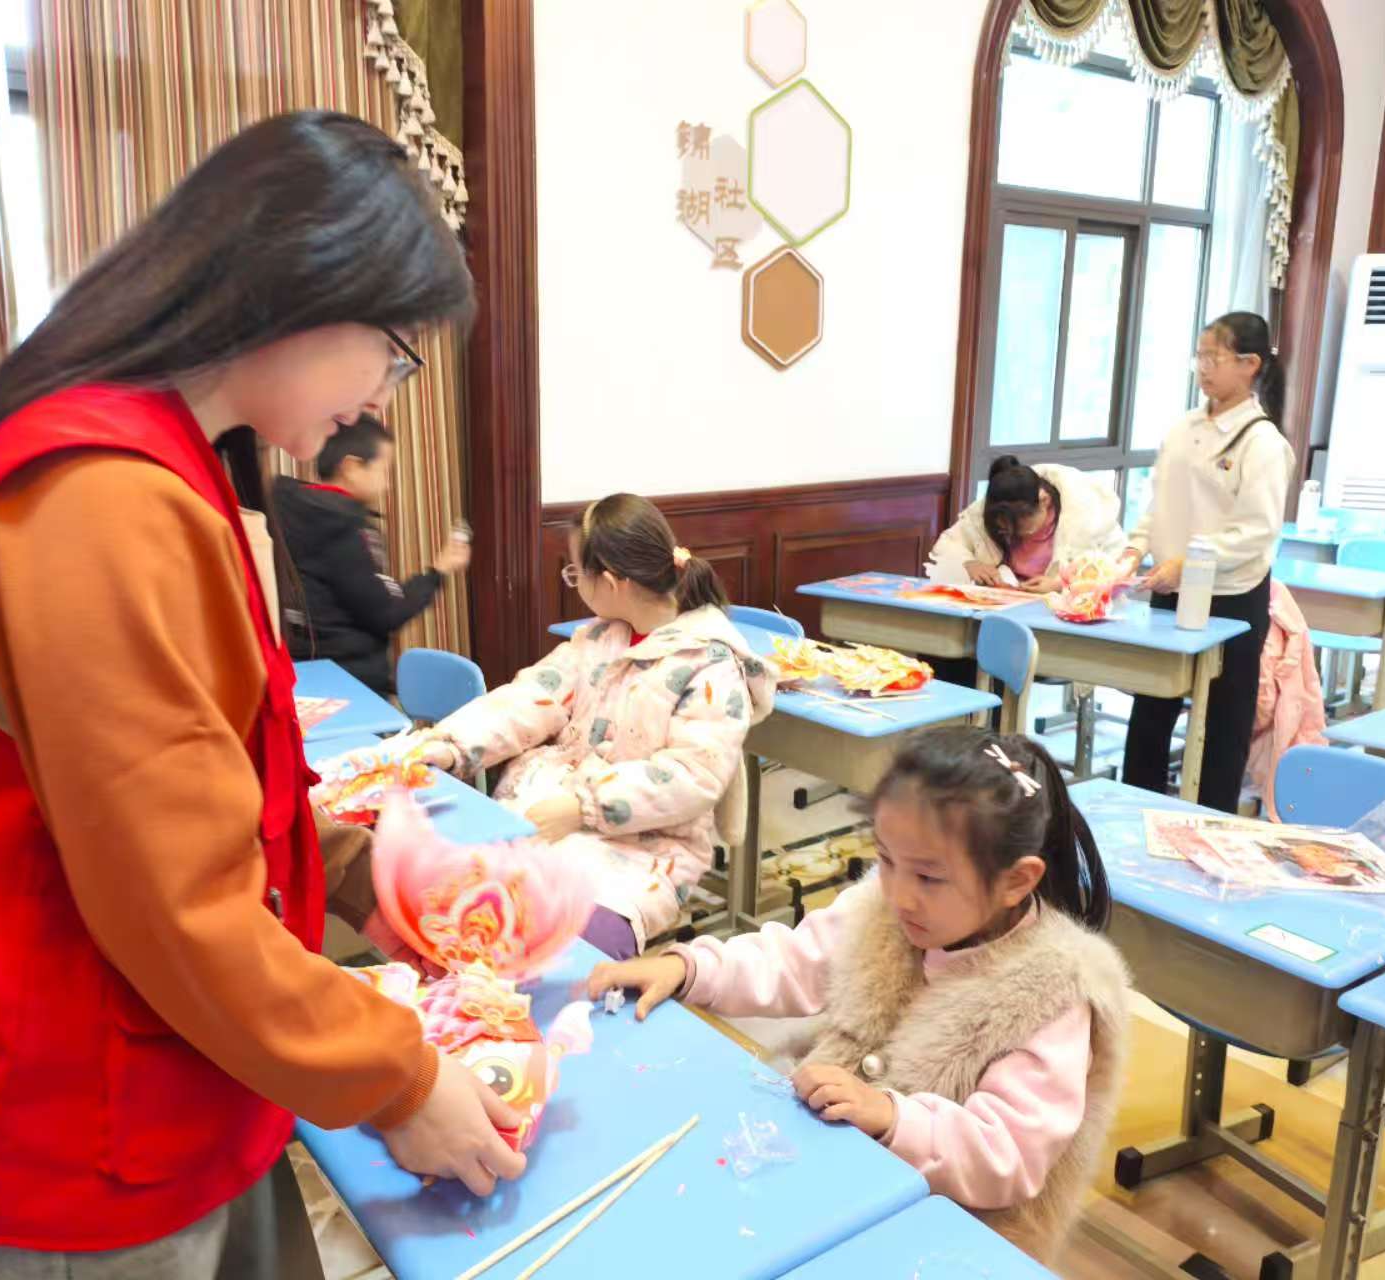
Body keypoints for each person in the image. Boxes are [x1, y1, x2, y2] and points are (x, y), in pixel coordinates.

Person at [0, 113, 526, 1280]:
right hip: (36, 1127)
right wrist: (397, 1077)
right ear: (306, 289)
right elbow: (174, 901)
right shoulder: (102, 494)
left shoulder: (160, 458)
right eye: (393, 353)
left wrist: (369, 877)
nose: (377, 399)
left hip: (141, 1086)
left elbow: (205, 786)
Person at [585, 728, 1130, 1266]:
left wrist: (891, 1116)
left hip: (941, 1237)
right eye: (886, 860)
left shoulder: (1055, 991)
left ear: (1016, 882)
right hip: (835, 1180)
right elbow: (792, 960)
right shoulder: (885, 906)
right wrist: (689, 967)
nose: (899, 893)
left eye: (929, 877)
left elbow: (1005, 1155)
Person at [406, 494, 776, 959]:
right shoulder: (599, 639)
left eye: (575, 571)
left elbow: (691, 777)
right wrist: (451, 744)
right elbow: (529, 698)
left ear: (612, 582)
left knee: (560, 953)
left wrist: (582, 807)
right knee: (461, 916)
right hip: (552, 815)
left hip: (647, 850)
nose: (574, 581)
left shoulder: (709, 664)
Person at [1120, 311, 1296, 813]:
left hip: (1231, 597)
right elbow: (1160, 504)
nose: (1203, 367)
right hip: (1170, 589)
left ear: (1250, 364)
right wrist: (1135, 548)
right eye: (1199, 357)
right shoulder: (1184, 429)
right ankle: (1133, 809)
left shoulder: (1263, 443)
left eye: (1214, 358)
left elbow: (1256, 531)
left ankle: (1211, 819)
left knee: (1224, 721)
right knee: (1151, 706)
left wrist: (1188, 562)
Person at [275, 413, 470, 696]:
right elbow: (386, 613)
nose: (387, 484)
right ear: (351, 467)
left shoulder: (288, 507)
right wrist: (438, 571)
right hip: (351, 683)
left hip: (304, 676)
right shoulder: (342, 525)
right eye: (383, 470)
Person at [932, 457, 1126, 591]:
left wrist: (1060, 585)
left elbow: (1119, 570)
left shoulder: (1088, 516)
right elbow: (949, 543)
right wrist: (969, 563)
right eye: (1004, 531)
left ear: (1044, 501)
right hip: (1006, 609)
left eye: (1025, 531)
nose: (1015, 538)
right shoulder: (988, 511)